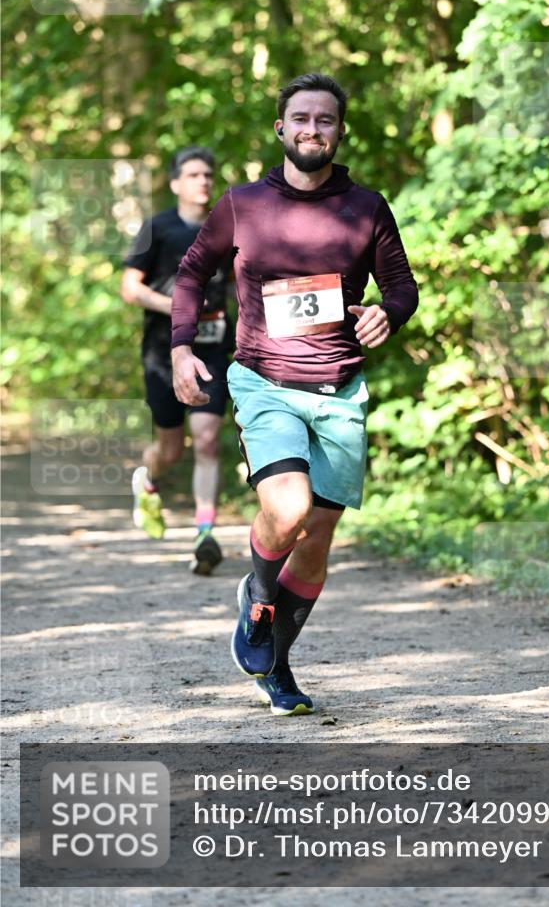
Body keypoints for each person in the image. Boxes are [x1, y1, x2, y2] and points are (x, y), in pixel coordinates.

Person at [171, 73, 418, 714]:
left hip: (339, 389)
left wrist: (387, 312)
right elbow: (192, 273)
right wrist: (179, 348)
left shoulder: (366, 207)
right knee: (287, 511)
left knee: (315, 539)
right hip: (264, 380)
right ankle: (256, 601)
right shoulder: (242, 204)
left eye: (326, 120)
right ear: (281, 128)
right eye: (301, 118)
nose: (313, 129)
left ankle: (277, 668)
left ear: (340, 130)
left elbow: (402, 287)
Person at [121, 146, 234, 575]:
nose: (202, 181)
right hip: (163, 353)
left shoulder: (227, 226)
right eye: (192, 175)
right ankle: (147, 479)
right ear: (175, 184)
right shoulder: (158, 227)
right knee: (171, 449)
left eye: (207, 174)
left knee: (206, 440)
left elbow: (241, 284)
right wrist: (176, 308)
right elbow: (130, 287)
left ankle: (205, 533)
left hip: (212, 349)